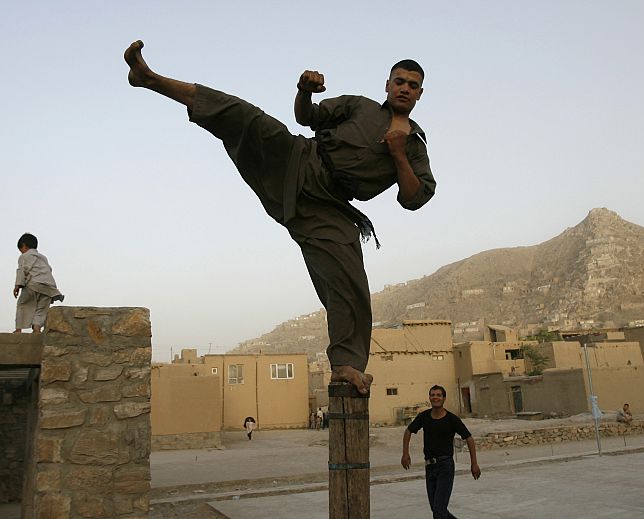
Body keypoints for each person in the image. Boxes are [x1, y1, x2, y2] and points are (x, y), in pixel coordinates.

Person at [124, 41, 436, 395]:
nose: (405, 88)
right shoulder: (360, 107)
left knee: (350, 286)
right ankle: (149, 78)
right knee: (244, 116)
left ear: (420, 94)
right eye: (400, 81)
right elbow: (306, 117)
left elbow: (414, 198)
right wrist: (304, 91)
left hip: (330, 207)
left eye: (412, 85)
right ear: (388, 85)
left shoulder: (415, 147)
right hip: (298, 159)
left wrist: (397, 154)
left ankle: (346, 365)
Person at [402, 385, 480, 519]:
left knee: (439, 509)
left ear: (444, 398)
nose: (435, 397)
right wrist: (405, 453)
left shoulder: (452, 419)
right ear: (429, 398)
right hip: (429, 466)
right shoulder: (424, 417)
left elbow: (469, 438)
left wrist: (474, 464)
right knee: (436, 508)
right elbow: (408, 431)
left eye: (438, 395)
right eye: (432, 395)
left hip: (445, 466)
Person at [13, 233, 64, 333]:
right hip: (49, 287)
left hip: (33, 284)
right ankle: (37, 327)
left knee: (22, 304)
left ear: (23, 245)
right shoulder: (43, 257)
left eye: (21, 249)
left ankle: (18, 329)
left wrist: (17, 286)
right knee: (42, 308)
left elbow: (22, 271)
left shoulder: (24, 256)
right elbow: (49, 269)